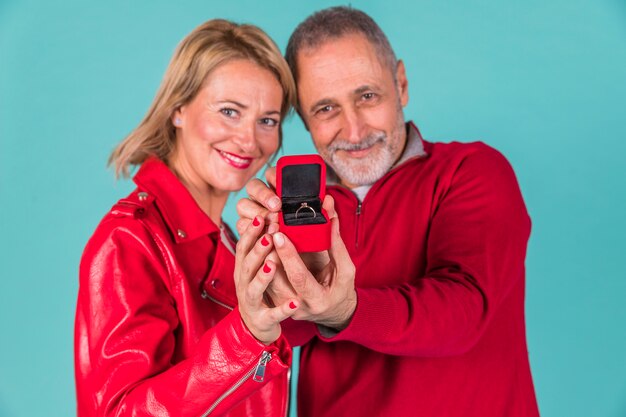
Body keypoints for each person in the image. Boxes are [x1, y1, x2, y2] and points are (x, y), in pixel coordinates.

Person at [237, 6, 540, 417]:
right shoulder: (289, 207)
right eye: (326, 109)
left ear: (400, 83)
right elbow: (276, 341)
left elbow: (464, 310)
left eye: (367, 96)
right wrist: (271, 281)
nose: (355, 130)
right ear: (304, 120)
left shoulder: (473, 171)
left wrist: (345, 310)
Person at [75, 19, 302, 417]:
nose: (250, 141)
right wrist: (247, 337)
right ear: (178, 109)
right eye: (230, 111)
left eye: (267, 120)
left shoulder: (232, 239)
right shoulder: (130, 238)